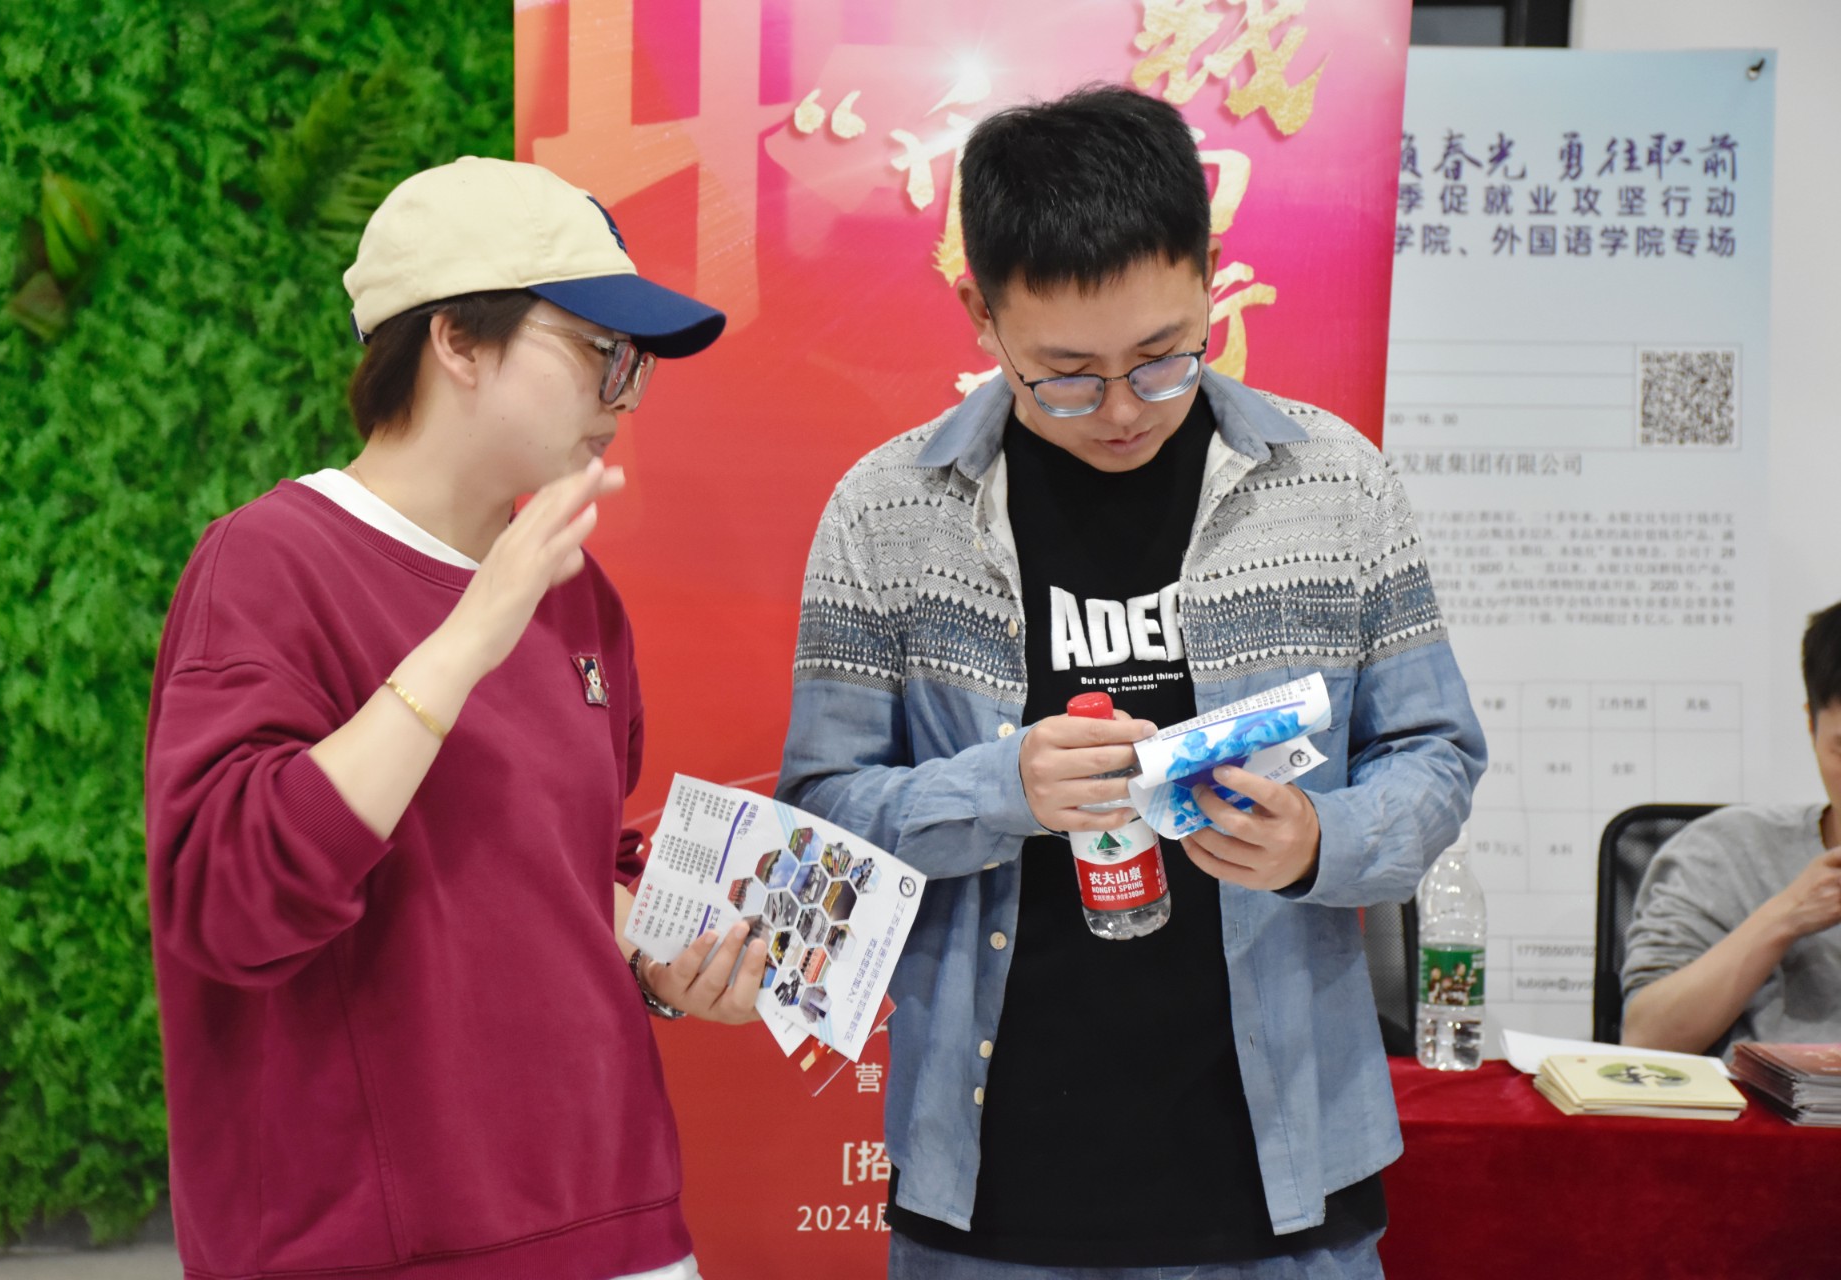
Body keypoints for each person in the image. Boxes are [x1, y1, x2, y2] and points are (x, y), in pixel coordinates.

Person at [776, 87, 1485, 1277]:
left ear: (1209, 280)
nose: (1119, 410)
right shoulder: (888, 514)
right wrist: (1000, 789)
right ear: (981, 312)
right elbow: (819, 816)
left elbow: (1436, 752)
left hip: (1283, 1191)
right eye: (1065, 373)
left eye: (1161, 359)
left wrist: (1319, 840)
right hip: (992, 1193)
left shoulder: (1333, 485)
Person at [145, 157, 766, 1280]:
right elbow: (228, 903)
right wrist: (469, 633)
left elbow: (566, 871)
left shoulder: (576, 591)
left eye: (636, 364)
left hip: (618, 1219)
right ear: (457, 341)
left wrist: (659, 954)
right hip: (381, 1245)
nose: (625, 397)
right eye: (601, 351)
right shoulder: (272, 562)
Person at [1622, 600, 1841, 1056]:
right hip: (1748, 1102)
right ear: (1810, 726)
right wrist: (1786, 915)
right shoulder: (1724, 853)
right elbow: (1646, 1038)